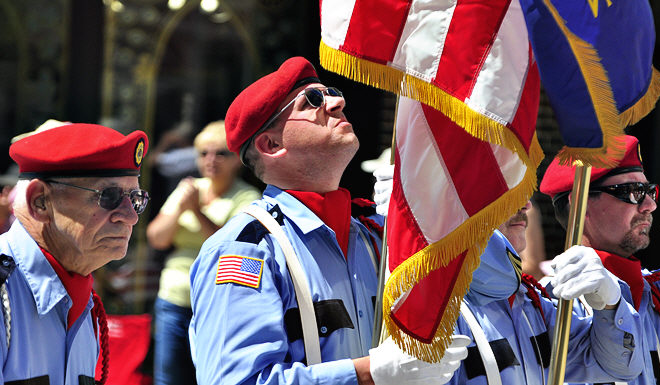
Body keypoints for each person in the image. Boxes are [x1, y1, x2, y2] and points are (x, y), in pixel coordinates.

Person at [189, 57, 469, 385]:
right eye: (312, 101)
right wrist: (368, 374)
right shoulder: (244, 251)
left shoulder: (378, 236)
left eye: (330, 92)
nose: (337, 102)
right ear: (271, 145)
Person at [372, 173, 644, 384]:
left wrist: (610, 305)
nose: (526, 205)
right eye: (503, 194)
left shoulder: (532, 302)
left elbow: (617, 367)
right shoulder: (436, 303)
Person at [540, 134, 660, 384]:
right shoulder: (549, 308)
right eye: (634, 192)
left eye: (649, 191)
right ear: (580, 205)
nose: (650, 205)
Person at [1, 123, 150, 384]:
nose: (131, 217)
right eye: (110, 196)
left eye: (135, 198)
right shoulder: (5, 293)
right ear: (40, 201)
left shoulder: (81, 299)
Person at [147, 120, 261, 385]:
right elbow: (157, 238)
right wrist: (180, 208)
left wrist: (195, 211)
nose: (211, 160)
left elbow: (232, 247)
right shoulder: (188, 188)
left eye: (221, 153)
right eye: (203, 153)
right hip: (173, 298)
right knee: (168, 380)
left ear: (237, 159)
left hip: (218, 303)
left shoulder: (248, 197)